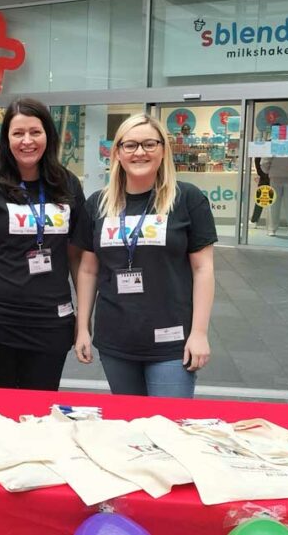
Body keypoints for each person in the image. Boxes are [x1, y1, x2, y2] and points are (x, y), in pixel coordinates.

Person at [73, 114, 217, 397]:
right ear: (117, 153)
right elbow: (88, 270)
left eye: (149, 144)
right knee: (130, 430)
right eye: (130, 145)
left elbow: (204, 270)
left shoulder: (187, 199)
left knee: (167, 428)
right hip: (116, 338)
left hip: (171, 338)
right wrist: (82, 328)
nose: (140, 152)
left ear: (163, 150)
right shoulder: (98, 205)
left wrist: (199, 333)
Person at [0, 98, 86, 391]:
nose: (27, 141)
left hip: (51, 321)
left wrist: (84, 319)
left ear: (48, 136)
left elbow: (78, 258)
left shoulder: (68, 184)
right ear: (6, 139)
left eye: (35, 132)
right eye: (18, 133)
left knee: (40, 409)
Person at [249, 157, 269, 228]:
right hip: (272, 178)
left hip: (265, 180)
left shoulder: (259, 156)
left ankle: (254, 221)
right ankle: (272, 224)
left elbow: (259, 171)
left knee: (261, 201)